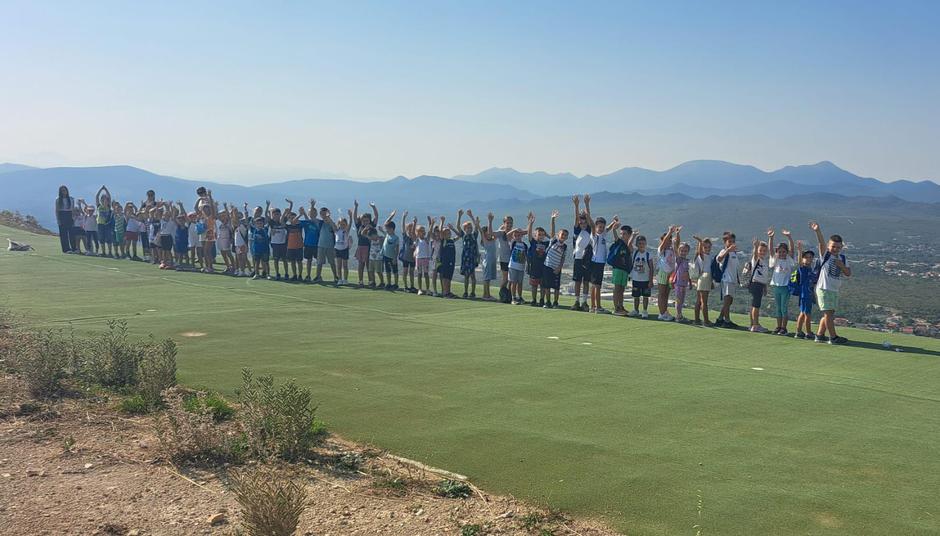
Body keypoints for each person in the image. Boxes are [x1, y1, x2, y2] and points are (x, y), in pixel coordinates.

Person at [810, 220, 851, 344]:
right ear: (829, 246)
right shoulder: (826, 255)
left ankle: (819, 335)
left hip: (834, 290)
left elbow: (848, 273)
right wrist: (818, 231)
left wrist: (841, 265)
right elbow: (821, 243)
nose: (835, 249)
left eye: (838, 247)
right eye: (833, 246)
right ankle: (833, 337)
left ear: (841, 247)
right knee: (828, 314)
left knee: (829, 314)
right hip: (824, 288)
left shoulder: (843, 258)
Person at [587, 202, 619, 314]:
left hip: (599, 263)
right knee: (597, 286)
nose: (601, 228)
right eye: (599, 227)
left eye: (602, 227)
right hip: (596, 262)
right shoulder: (594, 236)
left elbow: (609, 228)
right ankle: (598, 307)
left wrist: (614, 221)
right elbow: (591, 225)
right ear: (596, 227)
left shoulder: (603, 234)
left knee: (594, 285)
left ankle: (593, 307)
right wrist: (587, 208)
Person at [768, 228, 796, 335]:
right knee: (778, 308)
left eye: (784, 251)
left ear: (786, 252)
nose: (781, 253)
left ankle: (784, 328)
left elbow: (792, 250)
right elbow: (771, 251)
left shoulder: (789, 259)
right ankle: (778, 326)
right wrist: (771, 238)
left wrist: (789, 237)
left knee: (784, 308)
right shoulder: (775, 259)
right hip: (776, 286)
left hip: (785, 287)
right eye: (779, 252)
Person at [745, 232, 772, 333]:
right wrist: (755, 246)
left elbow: (764, 277)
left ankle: (753, 324)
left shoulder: (764, 261)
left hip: (760, 285)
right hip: (756, 284)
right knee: (756, 305)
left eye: (764, 251)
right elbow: (755, 255)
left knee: (754, 305)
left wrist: (765, 287)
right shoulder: (756, 259)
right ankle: (755, 325)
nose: (762, 252)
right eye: (760, 250)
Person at [715, 232, 742, 328]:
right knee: (727, 301)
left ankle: (720, 319)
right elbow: (718, 259)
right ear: (725, 242)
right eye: (729, 241)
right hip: (726, 280)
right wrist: (728, 250)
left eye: (733, 241)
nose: (731, 243)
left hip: (732, 280)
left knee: (729, 302)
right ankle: (727, 321)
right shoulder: (723, 251)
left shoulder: (734, 253)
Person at [571, 195, 593, 311]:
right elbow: (576, 218)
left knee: (586, 281)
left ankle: (584, 302)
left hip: (588, 259)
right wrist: (576, 205)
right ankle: (577, 301)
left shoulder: (589, 230)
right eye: (581, 223)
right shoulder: (576, 230)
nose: (583, 224)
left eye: (584, 223)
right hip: (578, 259)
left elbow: (589, 219)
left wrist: (587, 204)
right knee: (577, 281)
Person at [542, 212, 568, 309]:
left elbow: (563, 258)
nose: (563, 236)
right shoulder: (553, 240)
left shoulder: (565, 247)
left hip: (556, 269)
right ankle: (548, 302)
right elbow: (552, 229)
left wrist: (559, 268)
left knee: (556, 287)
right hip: (547, 266)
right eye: (562, 234)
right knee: (547, 286)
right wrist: (552, 219)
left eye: (565, 235)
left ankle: (555, 302)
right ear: (558, 235)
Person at [792, 241, 817, 339]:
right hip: (805, 294)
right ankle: (808, 332)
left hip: (807, 294)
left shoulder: (810, 269)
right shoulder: (803, 269)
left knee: (802, 313)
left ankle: (799, 332)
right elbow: (799, 263)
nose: (808, 259)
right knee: (807, 314)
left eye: (810, 257)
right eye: (806, 257)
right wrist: (799, 250)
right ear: (802, 259)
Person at [608, 224, 635, 316]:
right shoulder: (619, 242)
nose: (622, 236)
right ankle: (616, 308)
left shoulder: (628, 246)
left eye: (624, 234)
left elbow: (630, 248)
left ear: (629, 235)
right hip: (618, 268)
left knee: (622, 289)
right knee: (617, 288)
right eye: (621, 234)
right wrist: (614, 230)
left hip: (625, 269)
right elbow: (616, 237)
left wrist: (633, 236)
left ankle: (621, 306)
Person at [525, 211, 550, 307]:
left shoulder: (546, 243)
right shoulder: (533, 242)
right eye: (539, 234)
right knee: (534, 285)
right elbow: (529, 235)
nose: (541, 236)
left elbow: (553, 239)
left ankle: (542, 300)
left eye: (542, 234)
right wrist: (530, 223)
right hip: (534, 267)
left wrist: (546, 235)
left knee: (542, 286)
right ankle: (534, 299)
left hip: (543, 268)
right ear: (535, 235)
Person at [455, 209, 481, 298]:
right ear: (465, 229)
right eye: (467, 228)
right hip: (465, 258)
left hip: (472, 258)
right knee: (466, 276)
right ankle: (465, 292)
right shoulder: (463, 235)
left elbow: (476, 226)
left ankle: (473, 292)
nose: (469, 229)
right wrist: (459, 216)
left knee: (473, 276)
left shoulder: (474, 236)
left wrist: (471, 216)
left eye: (470, 228)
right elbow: (458, 226)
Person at [353, 200, 378, 286]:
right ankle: (360, 281)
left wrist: (373, 207)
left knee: (368, 265)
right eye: (363, 220)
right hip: (361, 247)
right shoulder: (359, 226)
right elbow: (354, 217)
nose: (365, 222)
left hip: (369, 247)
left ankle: (371, 281)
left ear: (369, 220)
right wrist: (356, 207)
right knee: (361, 265)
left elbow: (376, 216)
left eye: (367, 220)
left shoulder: (372, 226)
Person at [655, 226, 678, 321]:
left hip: (670, 274)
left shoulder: (672, 249)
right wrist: (669, 232)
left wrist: (677, 233)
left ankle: (665, 311)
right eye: (667, 239)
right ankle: (661, 313)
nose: (668, 241)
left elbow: (678, 243)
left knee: (666, 294)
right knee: (661, 293)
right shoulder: (661, 249)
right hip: (663, 272)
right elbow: (664, 242)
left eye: (670, 240)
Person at [692, 235, 714, 326]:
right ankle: (706, 321)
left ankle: (697, 320)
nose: (707, 249)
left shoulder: (703, 256)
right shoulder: (703, 255)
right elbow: (700, 252)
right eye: (705, 247)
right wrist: (700, 242)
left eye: (709, 247)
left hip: (701, 278)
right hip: (705, 277)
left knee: (699, 300)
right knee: (704, 301)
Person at [629, 235, 653, 318]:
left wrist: (650, 280)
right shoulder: (635, 253)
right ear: (637, 244)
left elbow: (651, 268)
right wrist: (633, 236)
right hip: (636, 279)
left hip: (645, 279)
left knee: (645, 296)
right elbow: (629, 245)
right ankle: (636, 310)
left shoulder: (648, 254)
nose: (641, 245)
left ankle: (645, 311)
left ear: (645, 244)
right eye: (639, 243)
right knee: (636, 296)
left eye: (643, 243)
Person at [315, 206, 338, 284]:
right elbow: (312, 218)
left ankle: (335, 277)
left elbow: (335, 229)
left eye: (325, 213)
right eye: (322, 214)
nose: (324, 215)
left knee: (332, 262)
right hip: (321, 245)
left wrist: (329, 218)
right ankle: (318, 276)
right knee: (319, 262)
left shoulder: (331, 223)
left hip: (330, 246)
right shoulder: (320, 223)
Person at [299, 199, 321, 282]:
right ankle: (308, 275)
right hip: (308, 244)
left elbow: (312, 219)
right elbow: (305, 220)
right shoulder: (306, 222)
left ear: (316, 214)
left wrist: (312, 206)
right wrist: (304, 213)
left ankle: (318, 276)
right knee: (309, 260)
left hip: (317, 244)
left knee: (319, 261)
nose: (312, 214)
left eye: (314, 212)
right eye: (311, 213)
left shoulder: (319, 222)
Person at [672, 240, 693, 323]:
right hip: (678, 283)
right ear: (679, 251)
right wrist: (674, 244)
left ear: (688, 252)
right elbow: (675, 253)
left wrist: (690, 282)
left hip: (684, 284)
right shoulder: (679, 260)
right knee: (678, 300)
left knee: (682, 300)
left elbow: (687, 273)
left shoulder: (686, 261)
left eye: (685, 251)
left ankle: (680, 314)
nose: (683, 252)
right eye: (681, 251)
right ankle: (678, 315)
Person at [506, 227, 528, 304]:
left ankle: (520, 297)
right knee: (513, 282)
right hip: (513, 266)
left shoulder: (524, 245)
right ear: (513, 236)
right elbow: (507, 235)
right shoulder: (513, 242)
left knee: (520, 283)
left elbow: (526, 256)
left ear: (521, 236)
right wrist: (515, 229)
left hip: (521, 267)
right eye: (515, 235)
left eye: (519, 235)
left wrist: (527, 265)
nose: (517, 237)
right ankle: (513, 298)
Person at [479, 213, 498, 301]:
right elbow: (481, 231)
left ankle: (486, 294)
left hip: (491, 261)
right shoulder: (485, 241)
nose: (489, 234)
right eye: (487, 233)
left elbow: (494, 233)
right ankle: (487, 295)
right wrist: (489, 221)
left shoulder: (493, 240)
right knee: (486, 279)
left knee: (488, 279)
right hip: (487, 262)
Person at [437, 216, 457, 298]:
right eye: (447, 233)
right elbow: (440, 231)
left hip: (451, 262)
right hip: (445, 262)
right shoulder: (444, 241)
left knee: (449, 277)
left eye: (449, 233)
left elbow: (460, 235)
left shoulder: (452, 240)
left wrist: (452, 228)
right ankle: (445, 292)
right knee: (445, 278)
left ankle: (448, 292)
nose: (449, 234)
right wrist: (442, 222)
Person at [267, 202, 287, 280]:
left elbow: (288, 213)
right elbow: (266, 215)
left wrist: (290, 205)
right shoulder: (271, 222)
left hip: (283, 243)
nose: (276, 216)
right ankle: (277, 273)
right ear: (272, 215)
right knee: (276, 259)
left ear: (280, 214)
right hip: (274, 243)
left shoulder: (283, 220)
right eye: (274, 214)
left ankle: (286, 274)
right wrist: (268, 206)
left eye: (277, 214)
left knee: (284, 259)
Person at [284, 206, 304, 281]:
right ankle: (294, 275)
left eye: (294, 217)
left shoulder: (300, 225)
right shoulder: (288, 226)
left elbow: (295, 221)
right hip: (290, 246)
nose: (293, 219)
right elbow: (282, 221)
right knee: (292, 262)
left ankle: (300, 275)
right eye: (291, 218)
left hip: (299, 246)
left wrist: (300, 214)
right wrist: (286, 213)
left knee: (299, 261)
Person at [495, 215, 514, 294]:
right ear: (504, 223)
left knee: (511, 279)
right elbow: (492, 233)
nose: (509, 225)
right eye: (507, 223)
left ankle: (508, 294)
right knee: (505, 279)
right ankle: (502, 293)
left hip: (512, 260)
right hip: (504, 259)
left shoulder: (513, 232)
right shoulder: (501, 233)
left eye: (511, 223)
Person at [381, 213, 400, 290]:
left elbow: (397, 248)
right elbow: (385, 223)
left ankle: (396, 284)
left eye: (388, 229)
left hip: (392, 257)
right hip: (386, 256)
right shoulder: (387, 235)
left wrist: (395, 258)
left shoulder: (396, 238)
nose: (386, 230)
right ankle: (388, 283)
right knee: (387, 271)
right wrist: (391, 216)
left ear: (392, 229)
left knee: (395, 271)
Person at [399, 212, 417, 292]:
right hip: (405, 258)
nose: (410, 231)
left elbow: (414, 235)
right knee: (405, 271)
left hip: (413, 258)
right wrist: (403, 217)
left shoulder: (415, 238)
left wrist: (415, 223)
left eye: (411, 229)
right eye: (409, 229)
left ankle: (412, 286)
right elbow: (403, 227)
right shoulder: (405, 237)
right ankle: (405, 286)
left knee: (412, 272)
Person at [54, 185, 75, 253]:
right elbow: (57, 210)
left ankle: (74, 248)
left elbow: (73, 209)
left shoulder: (71, 199)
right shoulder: (58, 199)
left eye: (64, 190)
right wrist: (58, 220)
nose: (63, 192)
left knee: (71, 233)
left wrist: (73, 218)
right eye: (62, 191)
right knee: (63, 234)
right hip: (62, 215)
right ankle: (66, 249)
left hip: (69, 215)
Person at [95, 185, 115, 257]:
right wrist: (101, 189)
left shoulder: (108, 207)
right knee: (101, 239)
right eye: (103, 199)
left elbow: (109, 196)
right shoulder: (99, 206)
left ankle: (110, 252)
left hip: (107, 224)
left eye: (106, 199)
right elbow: (97, 196)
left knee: (109, 239)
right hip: (100, 224)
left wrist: (105, 189)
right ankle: (103, 252)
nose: (104, 201)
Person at [415, 222, 433, 295]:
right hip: (418, 258)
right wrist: (415, 223)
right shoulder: (417, 240)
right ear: (418, 232)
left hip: (425, 258)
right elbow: (413, 233)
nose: (423, 232)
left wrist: (431, 223)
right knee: (419, 274)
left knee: (426, 274)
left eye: (423, 231)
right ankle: (420, 289)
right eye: (421, 231)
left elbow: (429, 232)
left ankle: (427, 289)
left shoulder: (426, 239)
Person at [335, 213, 352, 285]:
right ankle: (339, 279)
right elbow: (332, 224)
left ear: (346, 225)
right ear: (338, 224)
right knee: (338, 266)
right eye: (341, 224)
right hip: (337, 249)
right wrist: (328, 217)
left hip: (345, 249)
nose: (342, 226)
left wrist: (350, 217)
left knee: (345, 266)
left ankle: (345, 279)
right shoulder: (336, 230)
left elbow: (350, 224)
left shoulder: (346, 231)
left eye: (344, 224)